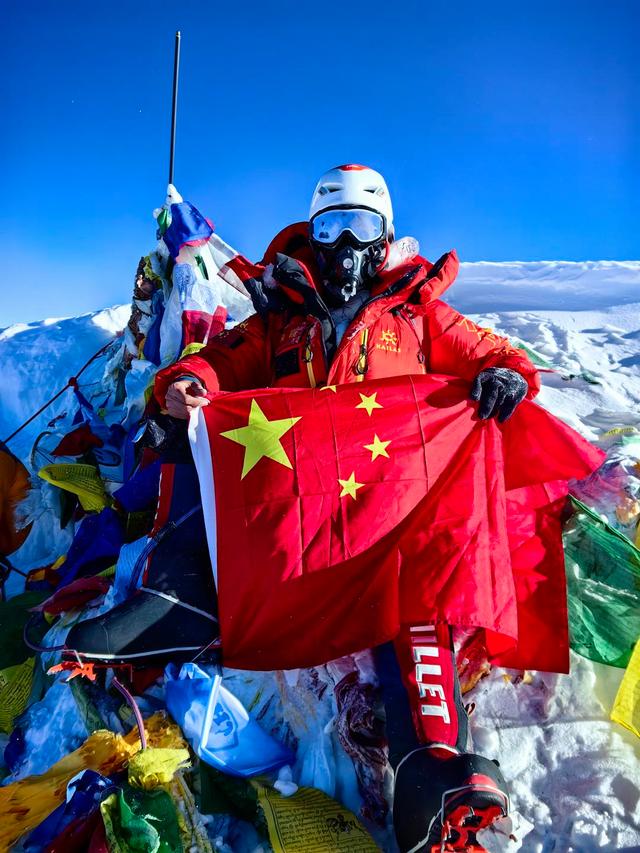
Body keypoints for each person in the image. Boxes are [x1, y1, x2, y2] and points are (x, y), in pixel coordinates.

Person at [68, 165, 538, 851]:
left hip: (388, 516)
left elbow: (494, 354)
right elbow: (221, 362)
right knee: (208, 483)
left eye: (361, 228)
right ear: (312, 237)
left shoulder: (417, 314)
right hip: (302, 511)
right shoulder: (281, 320)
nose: (344, 245)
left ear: (384, 240)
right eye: (330, 228)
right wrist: (187, 383)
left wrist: (505, 375)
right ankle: (173, 610)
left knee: (411, 601)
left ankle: (428, 769)